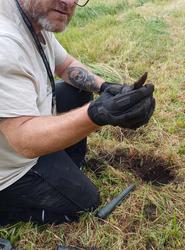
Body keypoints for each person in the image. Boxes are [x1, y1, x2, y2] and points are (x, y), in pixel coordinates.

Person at [0, 0, 155, 225]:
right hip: (11, 165)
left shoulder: (32, 19)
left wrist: (107, 88)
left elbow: (66, 65)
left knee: (78, 91)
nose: (69, 3)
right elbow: (23, 140)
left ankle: (66, 165)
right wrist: (97, 113)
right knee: (85, 202)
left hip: (24, 132)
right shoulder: (6, 43)